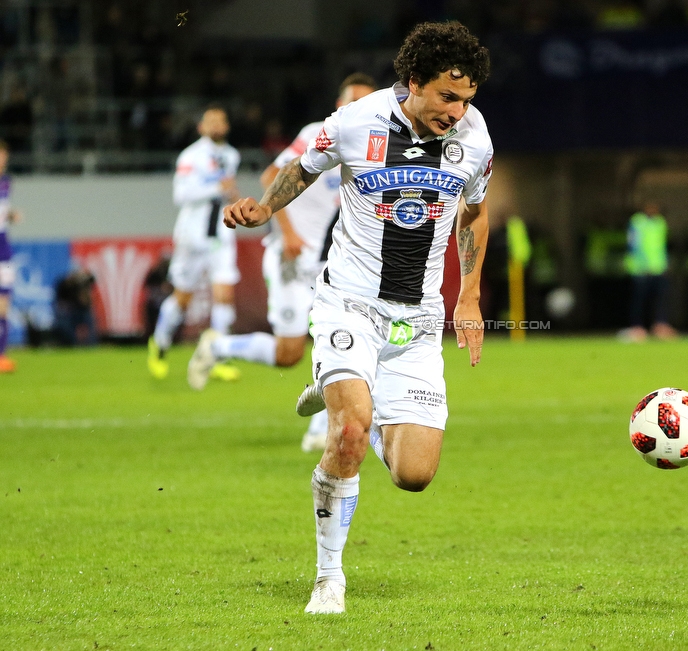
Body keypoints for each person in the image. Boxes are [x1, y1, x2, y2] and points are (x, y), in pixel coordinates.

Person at [222, 21, 492, 615]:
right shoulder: (353, 122)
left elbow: (474, 214)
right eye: (447, 96)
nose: (457, 111)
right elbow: (298, 170)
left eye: (466, 99)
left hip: (416, 320)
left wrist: (467, 295)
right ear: (414, 81)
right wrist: (262, 209)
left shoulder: (475, 139)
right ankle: (328, 578)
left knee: (414, 474)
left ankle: (340, 386)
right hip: (349, 301)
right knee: (347, 434)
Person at [186, 73, 378, 453]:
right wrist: (287, 231)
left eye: (367, 102)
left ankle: (320, 428)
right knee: (289, 353)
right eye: (353, 101)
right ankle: (219, 346)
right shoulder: (320, 132)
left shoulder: (372, 148)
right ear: (339, 105)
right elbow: (272, 174)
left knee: (337, 341)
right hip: (290, 256)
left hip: (327, 261)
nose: (360, 109)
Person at [147, 105, 242, 384]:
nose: (216, 126)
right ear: (201, 127)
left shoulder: (231, 155)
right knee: (182, 297)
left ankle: (217, 357)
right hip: (192, 236)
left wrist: (231, 196)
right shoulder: (191, 155)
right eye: (210, 121)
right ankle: (160, 343)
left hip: (221, 235)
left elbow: (226, 192)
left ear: (226, 126)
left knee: (224, 295)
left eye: (220, 121)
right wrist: (217, 188)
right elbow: (181, 194)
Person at [619, 200, 677, 341]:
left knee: (661, 298)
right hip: (641, 268)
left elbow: (661, 245)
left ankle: (660, 325)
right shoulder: (637, 222)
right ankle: (637, 327)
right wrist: (639, 263)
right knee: (638, 300)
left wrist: (665, 263)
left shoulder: (660, 223)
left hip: (658, 267)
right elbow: (633, 244)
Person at [0, 140, 22, 372]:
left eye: (4, 156)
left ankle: (1, 355)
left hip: (4, 249)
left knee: (4, 304)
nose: (2, 160)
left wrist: (11, 216)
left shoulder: (6, 182)